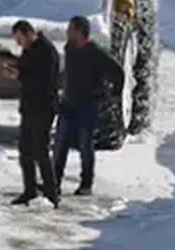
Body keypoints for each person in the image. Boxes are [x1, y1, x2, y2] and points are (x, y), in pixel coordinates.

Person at [52, 14, 125, 196]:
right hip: (68, 104)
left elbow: (118, 72)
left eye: (71, 29)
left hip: (88, 105)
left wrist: (112, 95)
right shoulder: (69, 49)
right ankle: (54, 182)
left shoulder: (95, 52)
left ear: (80, 31)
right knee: (60, 144)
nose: (67, 32)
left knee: (85, 145)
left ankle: (86, 184)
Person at [4, 20, 60, 207]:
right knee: (25, 151)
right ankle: (30, 190)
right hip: (29, 107)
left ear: (28, 34)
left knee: (41, 151)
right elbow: (28, 70)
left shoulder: (47, 51)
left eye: (20, 39)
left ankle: (52, 193)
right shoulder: (29, 50)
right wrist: (17, 68)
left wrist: (19, 75)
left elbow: (43, 80)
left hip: (43, 107)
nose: (19, 44)